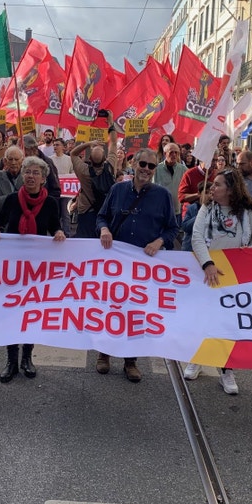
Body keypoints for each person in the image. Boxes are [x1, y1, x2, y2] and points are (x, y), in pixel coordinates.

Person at [96, 148, 179, 382]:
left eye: (152, 166)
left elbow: (173, 228)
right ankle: (104, 353)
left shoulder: (162, 196)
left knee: (135, 312)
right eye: (143, 163)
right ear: (133, 163)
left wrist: (160, 241)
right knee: (111, 308)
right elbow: (102, 217)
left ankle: (131, 360)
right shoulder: (117, 190)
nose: (146, 169)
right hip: (115, 264)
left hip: (144, 268)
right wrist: (103, 228)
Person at [186, 169, 252, 393]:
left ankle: (226, 369)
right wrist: (207, 264)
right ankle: (198, 359)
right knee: (204, 319)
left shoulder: (247, 212)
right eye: (213, 184)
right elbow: (197, 237)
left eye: (218, 185)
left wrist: (246, 254)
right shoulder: (207, 208)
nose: (212, 188)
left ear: (231, 190)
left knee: (227, 323)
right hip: (208, 274)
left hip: (233, 276)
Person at [0, 156, 65, 382]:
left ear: (43, 178)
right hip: (13, 267)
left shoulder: (50, 203)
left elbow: (55, 226)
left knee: (31, 314)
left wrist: (59, 233)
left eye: (35, 173)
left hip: (36, 268)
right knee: (12, 314)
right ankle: (11, 360)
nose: (30, 176)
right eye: (27, 172)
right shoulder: (12, 199)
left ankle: (27, 358)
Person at [70, 137, 118, 238]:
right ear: (105, 158)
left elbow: (73, 153)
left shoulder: (83, 171)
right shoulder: (110, 168)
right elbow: (114, 142)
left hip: (87, 211)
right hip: (106, 212)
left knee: (85, 244)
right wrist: (110, 122)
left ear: (89, 159)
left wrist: (89, 143)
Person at [153, 143, 187, 222]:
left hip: (178, 211)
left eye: (176, 152)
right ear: (165, 154)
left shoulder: (183, 169)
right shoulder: (157, 169)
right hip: (161, 211)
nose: (174, 155)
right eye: (171, 152)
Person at [0, 146, 24, 214]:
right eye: (10, 159)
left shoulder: (27, 177)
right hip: (2, 221)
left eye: (16, 159)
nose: (13, 162)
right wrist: (12, 197)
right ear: (5, 161)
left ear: (22, 161)